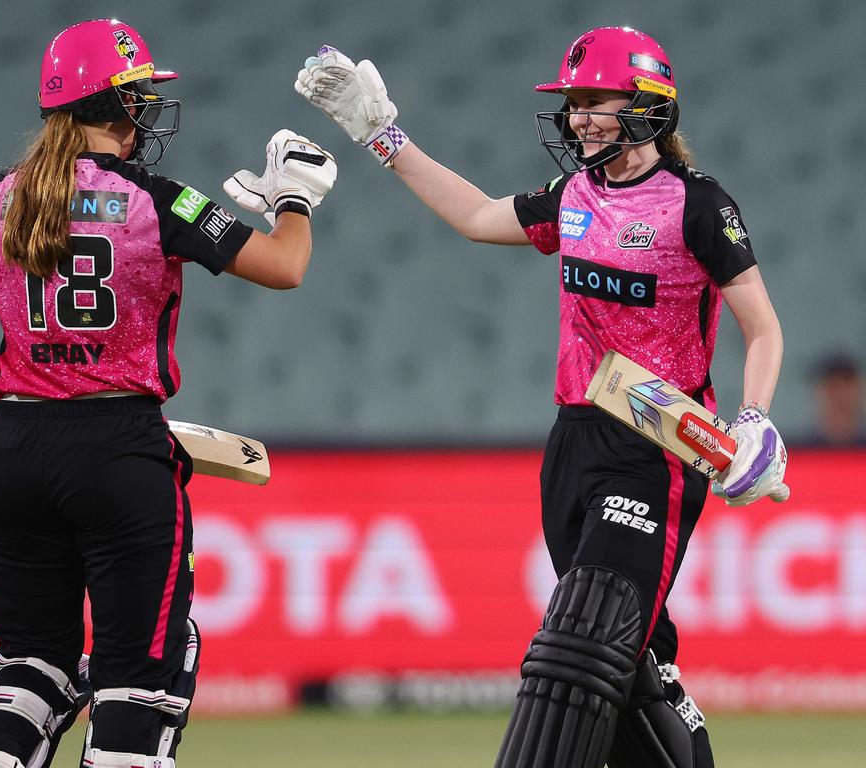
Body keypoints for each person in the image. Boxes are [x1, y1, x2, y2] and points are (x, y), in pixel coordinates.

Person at [296, 27, 787, 768]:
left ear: (648, 104)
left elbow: (764, 327)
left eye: (596, 101)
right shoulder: (572, 196)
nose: (580, 117)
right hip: (572, 445)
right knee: (628, 670)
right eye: (573, 103)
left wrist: (753, 419)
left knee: (589, 642)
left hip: (657, 447)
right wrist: (381, 136)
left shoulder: (697, 203)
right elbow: (473, 216)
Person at [0, 18, 336, 768]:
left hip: (13, 452)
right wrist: (294, 197)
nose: (147, 111)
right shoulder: (159, 198)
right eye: (139, 95)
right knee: (142, 681)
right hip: (119, 452)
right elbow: (284, 266)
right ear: (116, 106)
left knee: (30, 669)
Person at [802, 352, 866, 446]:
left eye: (847, 384)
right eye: (833, 386)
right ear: (819, 393)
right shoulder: (800, 451)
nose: (841, 395)